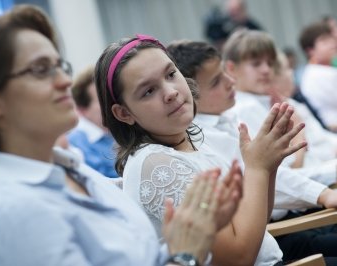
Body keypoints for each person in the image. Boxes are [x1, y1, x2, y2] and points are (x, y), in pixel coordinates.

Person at [0, 5, 244, 266]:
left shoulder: (72, 171)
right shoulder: (11, 211)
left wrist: (192, 235)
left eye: (59, 66)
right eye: (41, 70)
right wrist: (184, 255)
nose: (65, 81)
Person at [94, 33, 308, 265]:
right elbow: (238, 258)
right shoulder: (156, 165)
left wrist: (269, 165)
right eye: (148, 91)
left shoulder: (190, 139)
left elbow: (251, 223)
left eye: (171, 74)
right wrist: (257, 168)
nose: (171, 92)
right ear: (124, 113)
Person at [166, 39, 337, 263]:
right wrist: (327, 184)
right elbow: (272, 173)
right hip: (283, 230)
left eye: (271, 64)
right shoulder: (221, 125)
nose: (229, 81)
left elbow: (272, 170)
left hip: (285, 226)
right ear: (190, 91)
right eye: (216, 81)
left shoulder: (228, 117)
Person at [222, 28, 337, 183]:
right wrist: (299, 133)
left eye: (269, 63)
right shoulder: (245, 109)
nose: (266, 70)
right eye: (256, 64)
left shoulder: (263, 102)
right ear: (231, 68)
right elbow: (287, 174)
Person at [299, 21, 337, 134]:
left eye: (331, 39)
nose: (332, 44)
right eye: (324, 41)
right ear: (310, 50)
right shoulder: (321, 74)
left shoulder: (316, 71)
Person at [67, 65, 117, 178]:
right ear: (82, 110)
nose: (113, 102)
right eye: (103, 99)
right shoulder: (76, 146)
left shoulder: (124, 129)